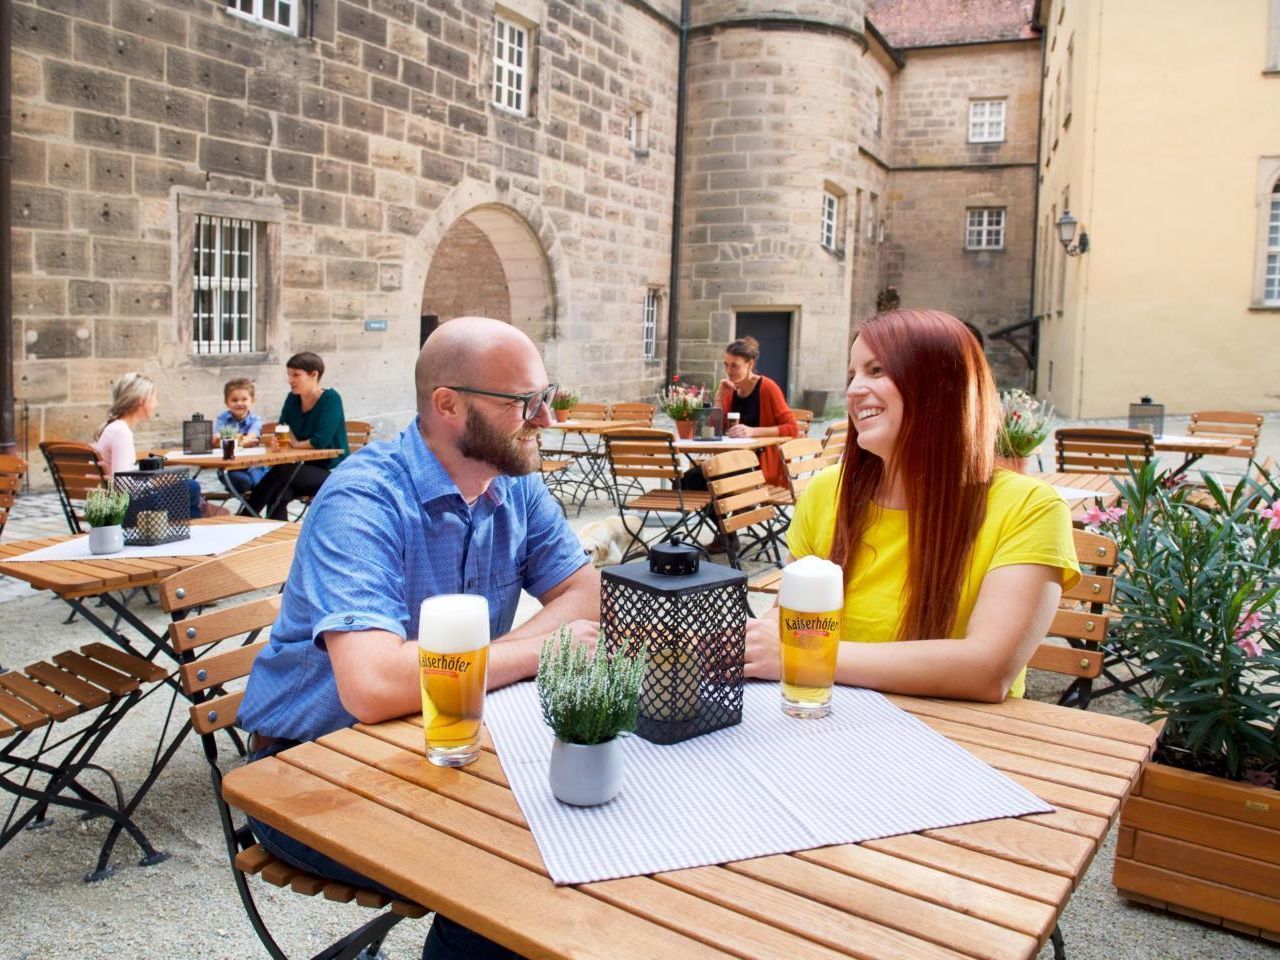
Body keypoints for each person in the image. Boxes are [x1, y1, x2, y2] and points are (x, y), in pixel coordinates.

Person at [237, 317, 600, 960]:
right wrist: (543, 649)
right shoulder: (365, 498)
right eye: (524, 403)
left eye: (547, 396)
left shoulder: (512, 484)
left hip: (438, 749)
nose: (545, 418)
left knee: (586, 833)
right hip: (307, 769)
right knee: (513, 873)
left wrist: (468, 666)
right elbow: (373, 685)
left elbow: (585, 595)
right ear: (449, 405)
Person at [745, 309, 1080, 702]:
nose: (853, 391)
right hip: (828, 723)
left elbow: (988, 669)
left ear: (943, 386)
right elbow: (783, 627)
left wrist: (809, 656)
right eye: (852, 375)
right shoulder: (826, 492)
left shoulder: (1030, 508)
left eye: (877, 370)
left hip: (961, 741)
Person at [92, 372, 227, 519]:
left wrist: (154, 480)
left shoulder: (112, 427)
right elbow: (123, 486)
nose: (156, 403)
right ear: (141, 401)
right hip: (126, 508)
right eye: (154, 397)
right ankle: (199, 522)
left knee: (186, 486)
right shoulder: (121, 432)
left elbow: (121, 477)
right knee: (190, 487)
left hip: (117, 502)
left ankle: (202, 513)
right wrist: (155, 483)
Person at [245, 352, 350, 520]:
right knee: (279, 493)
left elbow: (319, 442)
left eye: (296, 375)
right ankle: (277, 539)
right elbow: (282, 428)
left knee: (282, 470)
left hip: (331, 472)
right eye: (289, 375)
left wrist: (292, 444)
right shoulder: (292, 399)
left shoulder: (331, 399)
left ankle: (245, 516)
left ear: (314, 374)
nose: (290, 380)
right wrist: (280, 442)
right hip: (300, 471)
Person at [715, 335, 798, 489]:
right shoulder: (729, 390)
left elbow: (792, 428)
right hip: (732, 461)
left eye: (735, 366)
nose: (728, 371)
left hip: (762, 465)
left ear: (750, 364)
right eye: (726, 365)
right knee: (695, 478)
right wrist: (719, 396)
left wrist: (752, 431)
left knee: (711, 481)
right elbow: (712, 431)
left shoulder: (767, 388)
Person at [214, 377, 267, 494]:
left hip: (253, 465)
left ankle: (250, 511)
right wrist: (244, 440)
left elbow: (252, 438)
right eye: (234, 400)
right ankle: (250, 511)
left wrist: (228, 441)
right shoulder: (222, 419)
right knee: (244, 482)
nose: (239, 403)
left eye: (244, 399)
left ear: (252, 400)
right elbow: (216, 441)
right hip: (230, 467)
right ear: (226, 402)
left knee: (261, 485)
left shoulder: (255, 420)